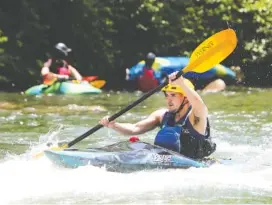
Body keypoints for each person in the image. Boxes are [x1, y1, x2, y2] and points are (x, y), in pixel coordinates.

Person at [100, 71, 216, 159]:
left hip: (190, 165)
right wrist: (114, 125)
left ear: (186, 98)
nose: (168, 100)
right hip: (163, 160)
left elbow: (200, 105)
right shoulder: (162, 115)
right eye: (167, 95)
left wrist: (181, 83)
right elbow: (135, 128)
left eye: (173, 95)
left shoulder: (196, 118)